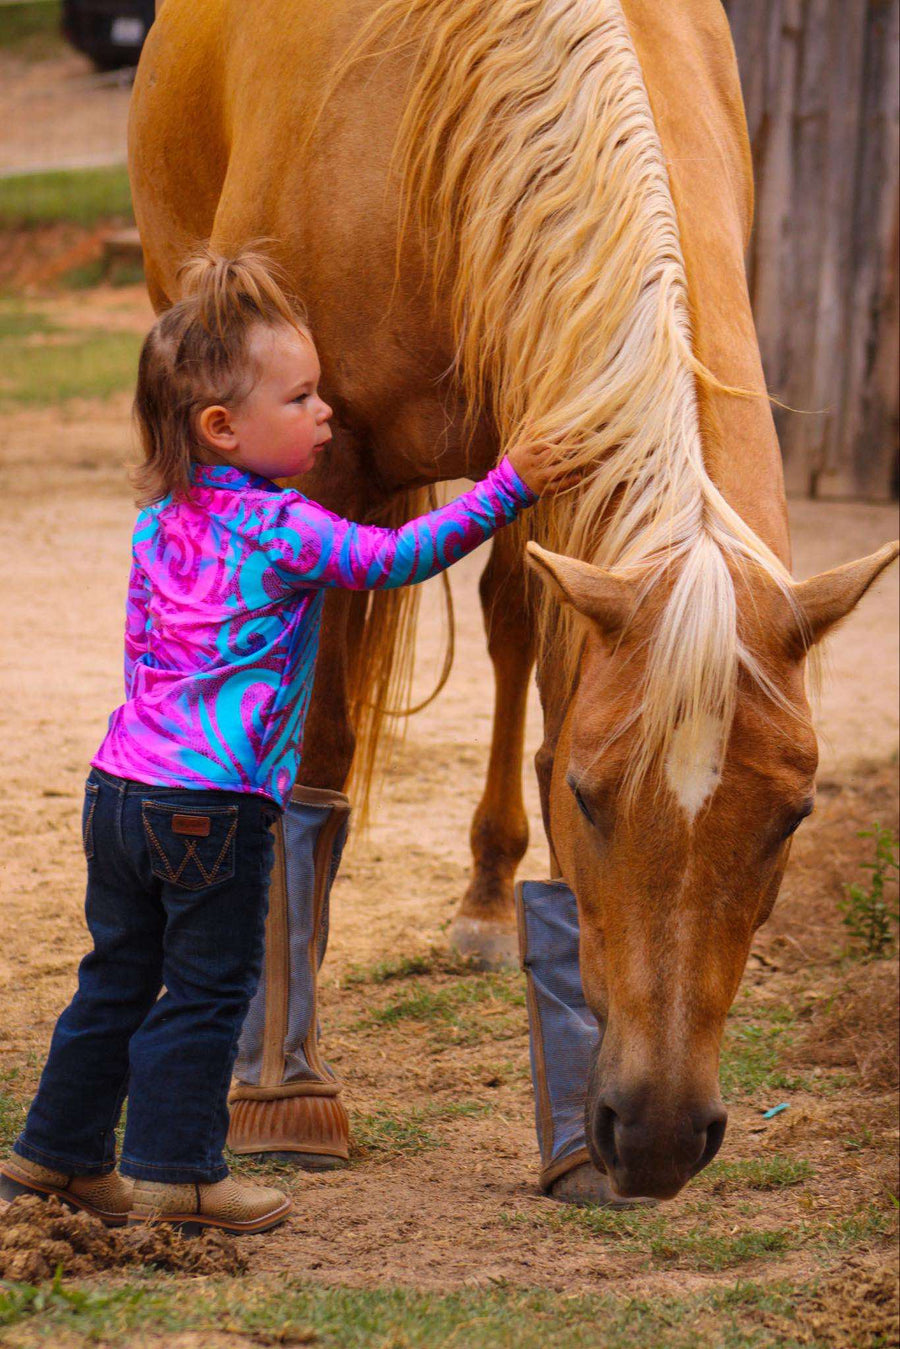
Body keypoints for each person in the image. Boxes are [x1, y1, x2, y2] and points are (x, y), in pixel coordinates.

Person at [0, 246, 569, 1236]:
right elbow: (397, 557)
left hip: (119, 791)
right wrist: (507, 487)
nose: (327, 413)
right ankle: (177, 1168)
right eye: (302, 397)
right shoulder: (283, 529)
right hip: (213, 807)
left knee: (117, 978)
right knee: (210, 989)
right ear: (222, 426)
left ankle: (54, 1156)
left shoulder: (158, 520)